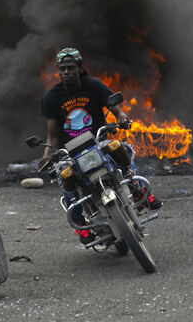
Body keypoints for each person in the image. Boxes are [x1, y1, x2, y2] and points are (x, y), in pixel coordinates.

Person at [40, 47, 161, 245]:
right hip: (70, 152)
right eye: (62, 69)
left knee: (121, 149)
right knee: (66, 181)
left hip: (97, 141)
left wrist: (122, 117)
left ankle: (140, 191)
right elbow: (52, 135)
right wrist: (47, 155)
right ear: (58, 71)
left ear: (79, 68)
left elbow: (114, 108)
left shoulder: (93, 85)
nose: (66, 73)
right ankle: (81, 228)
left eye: (70, 68)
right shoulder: (51, 97)